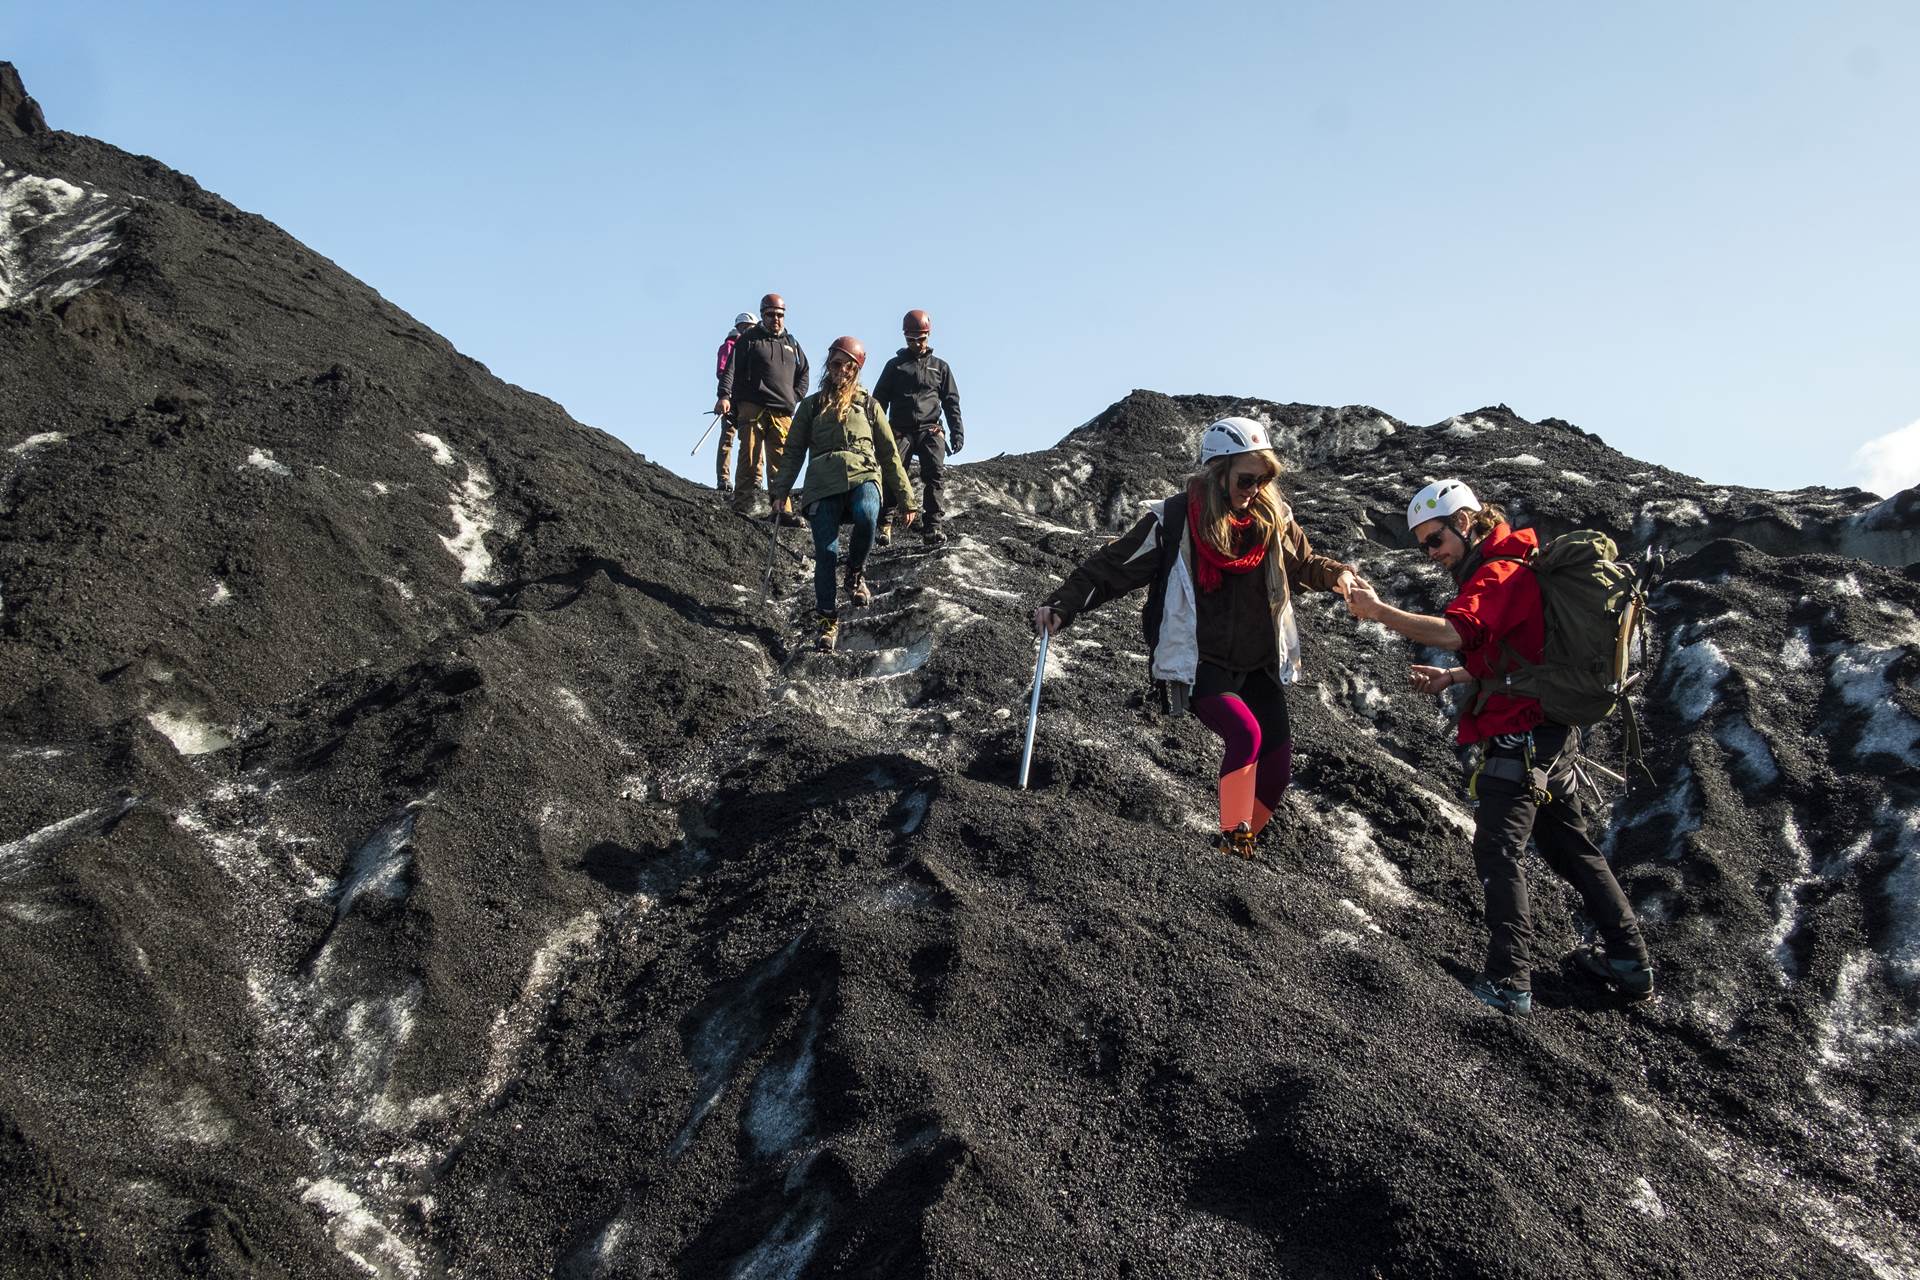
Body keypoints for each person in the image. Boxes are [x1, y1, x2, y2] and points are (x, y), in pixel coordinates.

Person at [1344, 479, 1655, 1016]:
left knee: (1498, 850)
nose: (1432, 554)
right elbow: (1521, 653)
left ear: (1465, 522)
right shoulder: (1519, 564)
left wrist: (1380, 613)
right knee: (1568, 846)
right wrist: (1457, 679)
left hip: (1521, 735)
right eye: (1423, 545)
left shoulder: (1499, 570)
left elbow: (1454, 630)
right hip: (1551, 733)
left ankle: (1509, 983)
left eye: (1434, 539)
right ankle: (1630, 964)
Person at [1032, 418, 1361, 856]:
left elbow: (1304, 565)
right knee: (1246, 735)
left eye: (1265, 478)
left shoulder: (1273, 517)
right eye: (1247, 478)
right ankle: (1233, 835)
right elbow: (1111, 567)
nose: (1256, 489)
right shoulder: (1173, 520)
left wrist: (1340, 576)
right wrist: (1062, 605)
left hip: (1258, 664)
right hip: (1200, 663)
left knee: (1278, 771)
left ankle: (1238, 847)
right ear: (1217, 471)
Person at [770, 336, 918, 652]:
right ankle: (827, 620)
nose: (840, 371)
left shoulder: (869, 405)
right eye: (835, 364)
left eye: (847, 366)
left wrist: (906, 498)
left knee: (868, 514)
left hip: (863, 472)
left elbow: (890, 453)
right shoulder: (811, 406)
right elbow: (794, 451)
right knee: (825, 552)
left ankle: (854, 573)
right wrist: (781, 492)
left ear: (856, 369)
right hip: (822, 481)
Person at [872, 309, 964, 547]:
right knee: (892, 472)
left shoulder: (940, 367)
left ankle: (932, 527)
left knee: (934, 473)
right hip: (900, 430)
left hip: (930, 429)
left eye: (920, 338)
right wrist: (876, 433)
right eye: (911, 339)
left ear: (929, 335)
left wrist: (957, 432)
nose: (916, 343)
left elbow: (951, 401)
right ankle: (885, 524)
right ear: (904, 337)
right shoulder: (894, 366)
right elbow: (878, 401)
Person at [715, 293, 809, 519]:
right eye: (770, 315)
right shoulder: (749, 339)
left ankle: (781, 508)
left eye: (780, 315)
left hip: (782, 411)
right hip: (752, 406)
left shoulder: (792, 343)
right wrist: (724, 395)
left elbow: (804, 373)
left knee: (781, 460)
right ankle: (743, 505)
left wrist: (793, 396)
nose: (776, 319)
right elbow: (731, 368)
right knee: (749, 456)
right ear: (762, 315)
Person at [712, 311, 756, 499]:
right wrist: (726, 396)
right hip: (732, 399)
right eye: (745, 328)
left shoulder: (754, 347)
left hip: (748, 399)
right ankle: (724, 478)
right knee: (728, 436)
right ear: (739, 328)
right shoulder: (730, 346)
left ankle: (750, 480)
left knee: (750, 440)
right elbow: (723, 371)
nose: (748, 331)